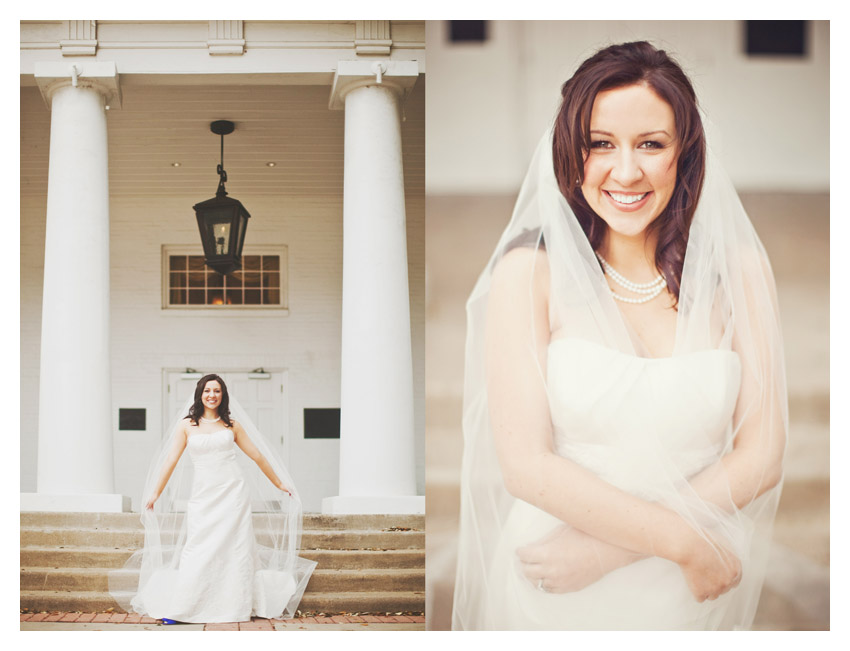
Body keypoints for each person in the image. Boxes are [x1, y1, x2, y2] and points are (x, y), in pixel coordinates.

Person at [452, 41, 788, 630]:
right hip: (557, 583)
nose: (626, 171)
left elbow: (761, 455)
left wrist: (614, 551)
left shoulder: (739, 271)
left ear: (683, 154)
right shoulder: (529, 273)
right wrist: (681, 541)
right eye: (600, 144)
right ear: (569, 152)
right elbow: (525, 465)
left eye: (651, 145)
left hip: (690, 584)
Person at [109, 374, 316, 623]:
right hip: (203, 495)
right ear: (200, 394)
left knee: (236, 548)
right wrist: (155, 492)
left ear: (223, 395)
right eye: (208, 390)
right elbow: (170, 461)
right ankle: (184, 606)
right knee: (197, 547)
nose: (212, 395)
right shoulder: (187, 425)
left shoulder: (232, 425)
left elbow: (258, 456)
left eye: (217, 391)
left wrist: (280, 483)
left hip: (233, 493)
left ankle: (235, 605)